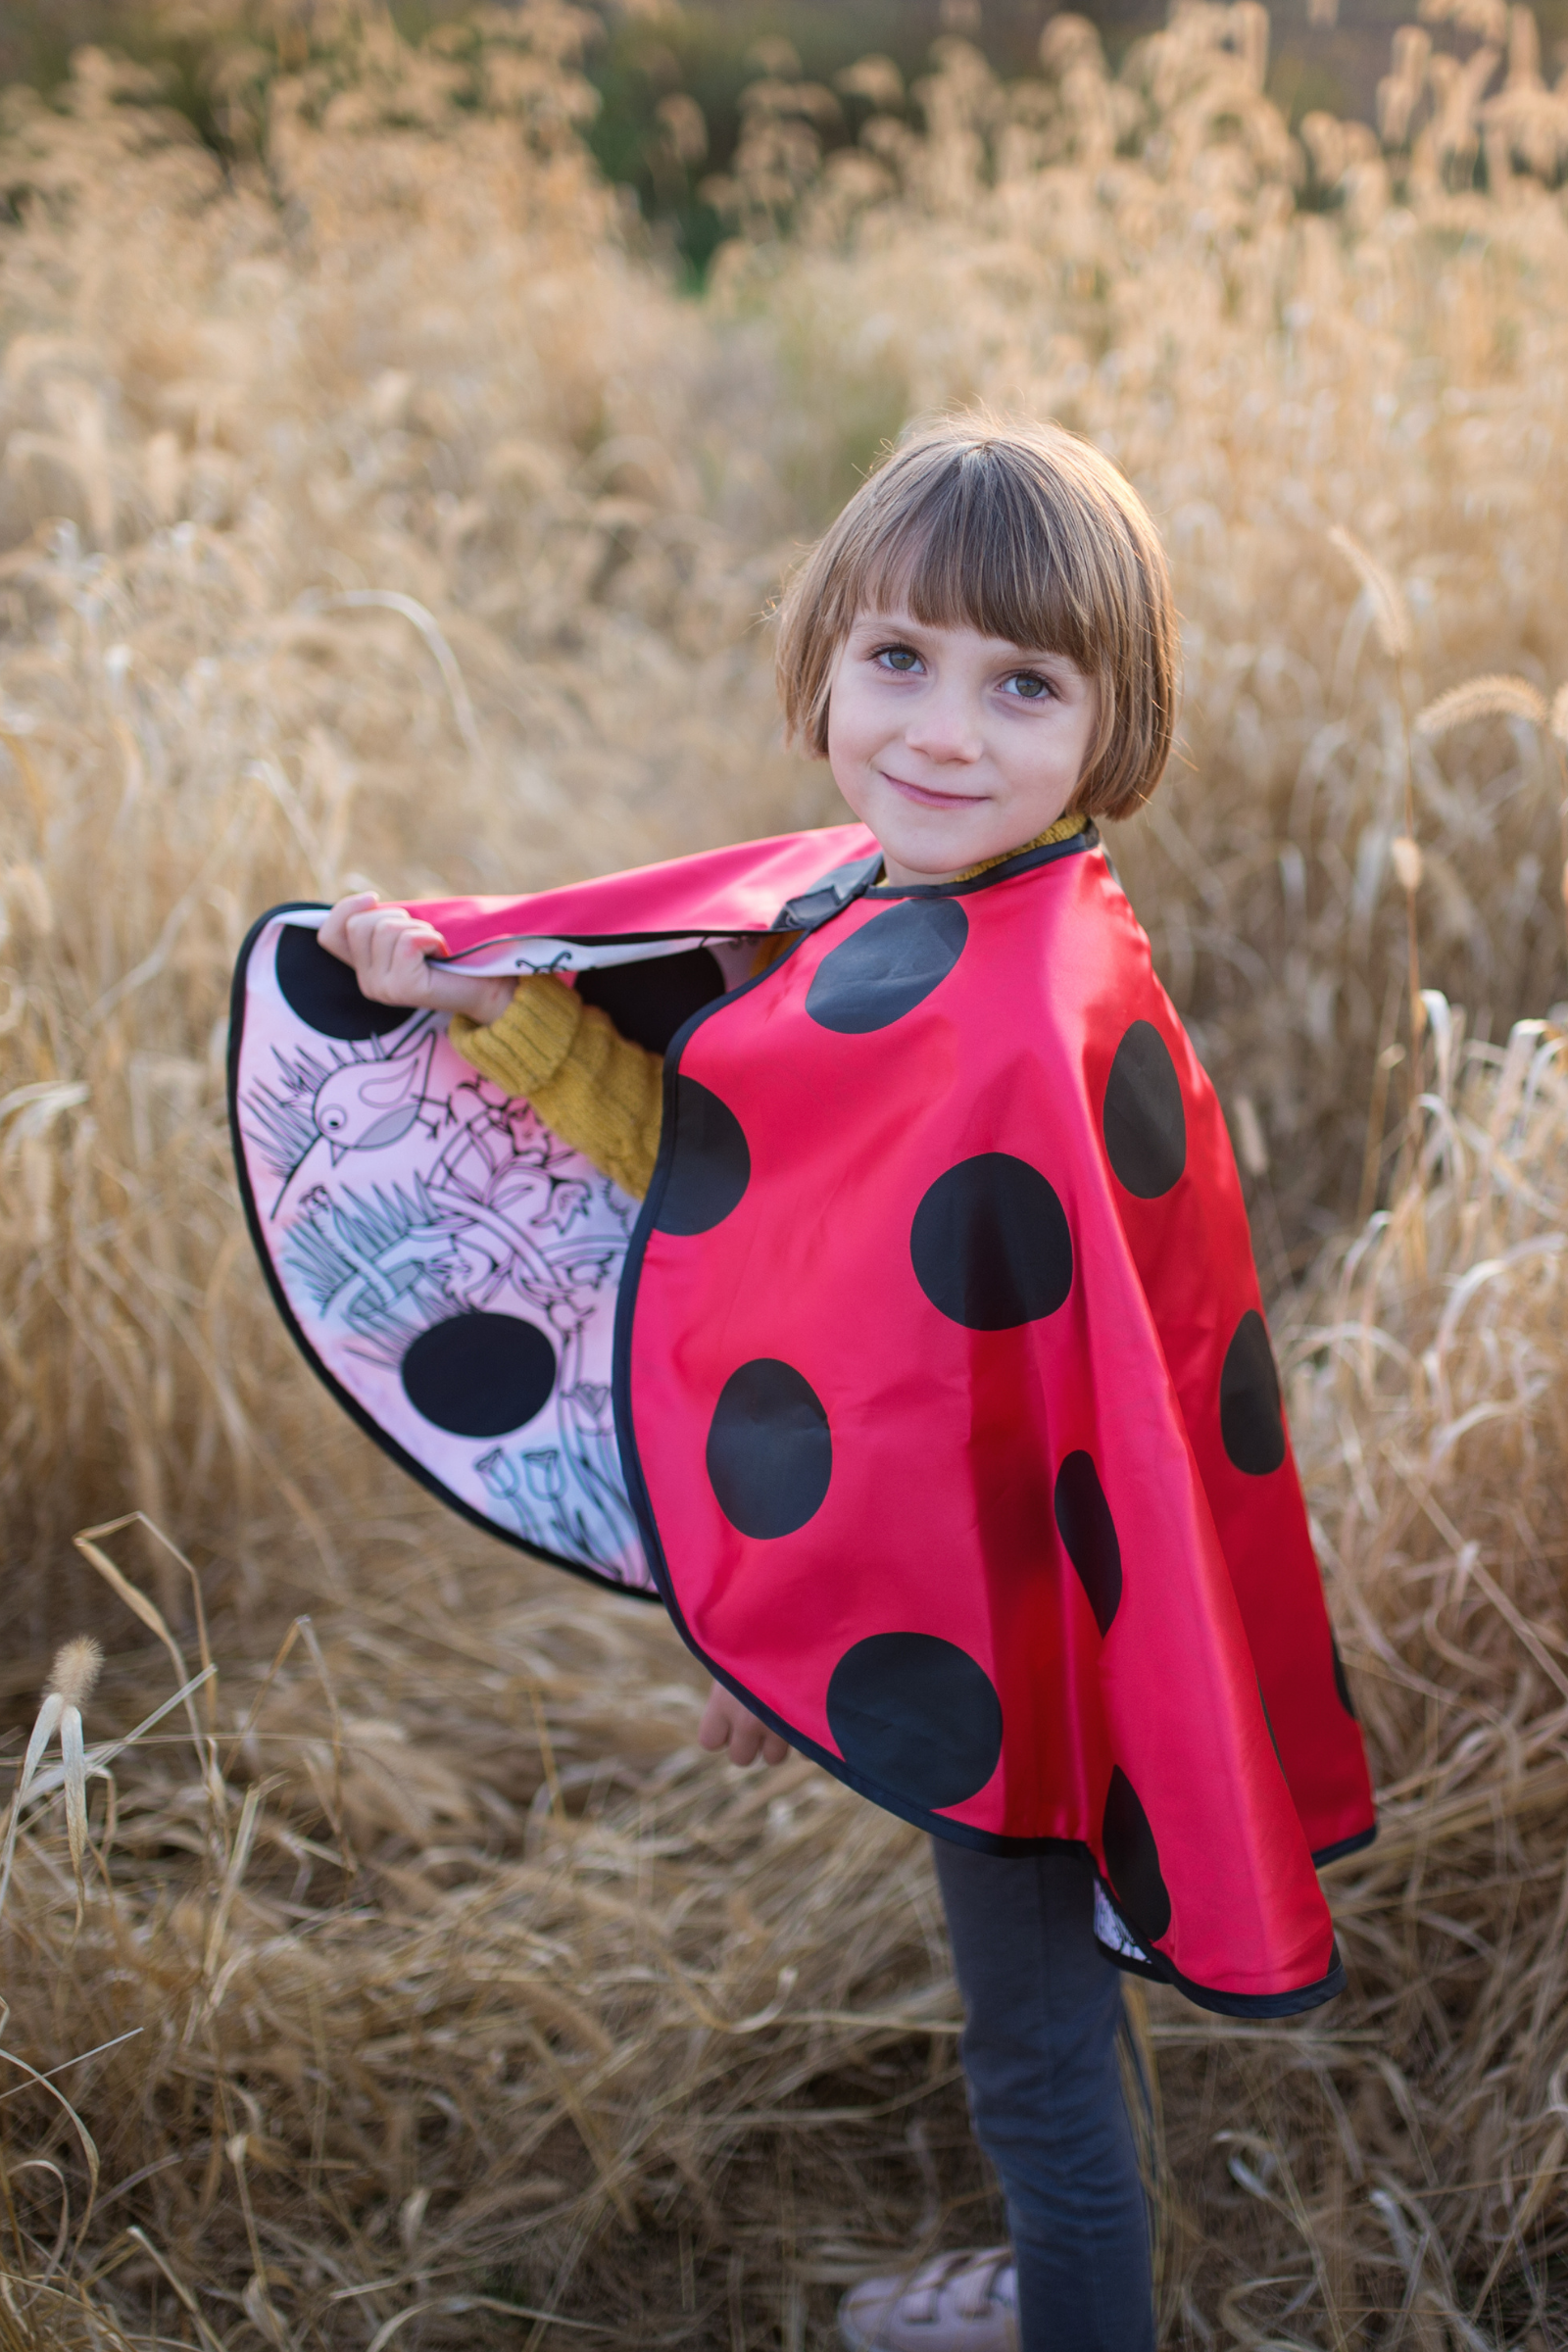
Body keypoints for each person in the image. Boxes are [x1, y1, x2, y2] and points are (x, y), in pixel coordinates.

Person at [311, 415, 1373, 2352]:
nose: (941, 731)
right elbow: (750, 1184)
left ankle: (1075, 2308)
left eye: (1019, 683)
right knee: (1047, 2025)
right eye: (896, 659)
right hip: (1017, 1595)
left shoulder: (996, 1014)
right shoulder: (912, 910)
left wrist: (781, 1633)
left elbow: (939, 1417)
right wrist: (494, 1005)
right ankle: (1067, 2283)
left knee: (1035, 2072)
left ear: (1107, 728)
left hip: (1033, 1626)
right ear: (819, 662)